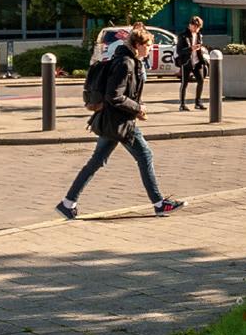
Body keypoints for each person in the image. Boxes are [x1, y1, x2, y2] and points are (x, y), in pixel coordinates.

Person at [55, 28, 186, 220]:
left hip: (115, 120)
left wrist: (137, 109)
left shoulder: (129, 60)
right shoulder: (125, 63)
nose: (151, 49)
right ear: (138, 45)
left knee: (97, 161)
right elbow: (114, 95)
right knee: (145, 155)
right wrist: (137, 108)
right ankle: (159, 204)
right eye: (149, 46)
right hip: (120, 122)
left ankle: (68, 203)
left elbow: (124, 93)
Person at [177, 15, 207, 111]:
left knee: (201, 81)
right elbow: (179, 51)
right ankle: (182, 104)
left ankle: (198, 102)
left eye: (198, 27)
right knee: (184, 83)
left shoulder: (199, 35)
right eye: (195, 26)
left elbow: (200, 48)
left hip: (197, 61)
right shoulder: (183, 35)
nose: (196, 29)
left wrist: (201, 50)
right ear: (190, 25)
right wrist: (191, 48)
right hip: (187, 61)